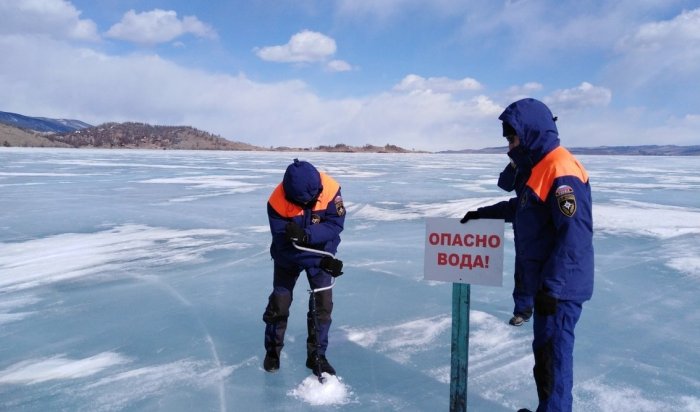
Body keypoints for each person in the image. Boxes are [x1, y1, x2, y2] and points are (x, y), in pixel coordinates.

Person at [473, 98, 594, 412]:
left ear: (529, 133)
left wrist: (552, 288)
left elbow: (575, 236)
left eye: (512, 138)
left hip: (559, 290)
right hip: (547, 285)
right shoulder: (539, 168)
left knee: (552, 359)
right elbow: (525, 210)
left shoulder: (560, 169)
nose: (509, 146)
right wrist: (482, 213)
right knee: (545, 356)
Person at [262, 159, 346, 377]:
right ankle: (272, 351)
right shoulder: (277, 202)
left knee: (323, 306)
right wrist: (321, 261)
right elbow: (284, 246)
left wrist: (307, 235)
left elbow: (335, 225)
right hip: (289, 258)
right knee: (279, 304)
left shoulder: (330, 189)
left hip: (322, 251)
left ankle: (317, 356)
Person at [461, 160, 534, 326]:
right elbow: (510, 204)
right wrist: (479, 214)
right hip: (524, 241)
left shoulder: (543, 173)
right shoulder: (523, 194)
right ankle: (523, 311)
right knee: (522, 273)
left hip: (544, 243)